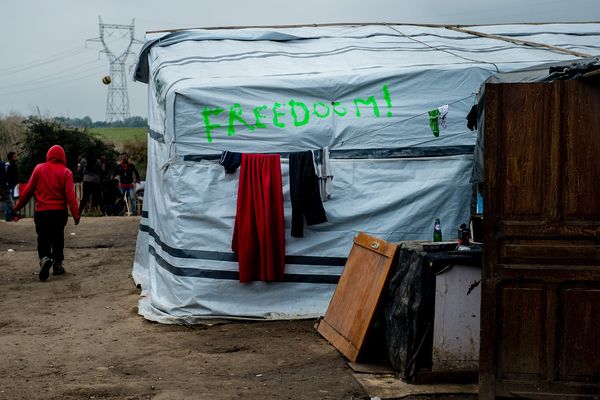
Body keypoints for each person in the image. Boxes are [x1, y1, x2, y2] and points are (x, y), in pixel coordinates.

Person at [11, 145, 80, 282]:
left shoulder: (39, 168)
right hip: (59, 213)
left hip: (42, 212)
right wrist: (75, 214)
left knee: (42, 237)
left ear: (48, 155)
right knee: (58, 238)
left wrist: (17, 207)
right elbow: (70, 196)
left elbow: (28, 191)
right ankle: (57, 264)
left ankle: (44, 258)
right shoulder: (66, 172)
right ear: (63, 157)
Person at [5, 151, 19, 220]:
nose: (16, 157)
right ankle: (8, 216)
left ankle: (12, 215)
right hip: (11, 185)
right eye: (14, 157)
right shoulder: (9, 166)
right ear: (11, 158)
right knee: (10, 201)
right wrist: (8, 186)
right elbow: (7, 176)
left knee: (13, 200)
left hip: (14, 185)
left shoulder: (14, 165)